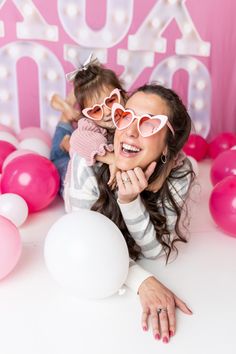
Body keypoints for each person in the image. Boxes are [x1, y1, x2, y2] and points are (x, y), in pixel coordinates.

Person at [64, 83, 195, 344]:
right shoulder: (86, 159)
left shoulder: (180, 171)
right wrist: (142, 281)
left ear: (168, 148)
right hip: (65, 176)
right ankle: (63, 115)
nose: (131, 132)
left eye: (149, 124)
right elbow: (83, 240)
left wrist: (130, 200)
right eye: (126, 116)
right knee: (61, 144)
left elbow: (155, 251)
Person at [50, 53, 126, 195]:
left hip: (79, 141)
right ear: (88, 115)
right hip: (65, 162)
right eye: (97, 110)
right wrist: (112, 159)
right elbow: (79, 138)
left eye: (111, 101)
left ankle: (68, 108)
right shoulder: (88, 124)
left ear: (123, 95)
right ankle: (66, 113)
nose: (108, 112)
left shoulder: (131, 113)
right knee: (60, 159)